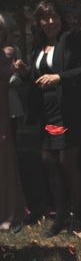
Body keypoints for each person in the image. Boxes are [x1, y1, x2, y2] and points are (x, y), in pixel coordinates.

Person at [26, 1, 81, 236]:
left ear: (61, 19)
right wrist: (25, 72)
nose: (50, 22)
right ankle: (59, 215)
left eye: (54, 16)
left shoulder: (71, 39)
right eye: (45, 18)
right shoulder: (37, 46)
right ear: (39, 22)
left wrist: (59, 77)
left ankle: (77, 215)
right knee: (50, 162)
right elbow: (35, 79)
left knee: (67, 162)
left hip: (68, 113)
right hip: (48, 115)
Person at [0, 33, 28, 233]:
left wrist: (14, 72)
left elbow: (16, 79)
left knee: (7, 160)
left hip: (6, 111)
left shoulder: (9, 52)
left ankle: (11, 211)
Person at [0, 14, 25, 143]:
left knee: (10, 144)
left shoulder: (13, 50)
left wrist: (9, 78)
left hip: (9, 103)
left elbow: (18, 77)